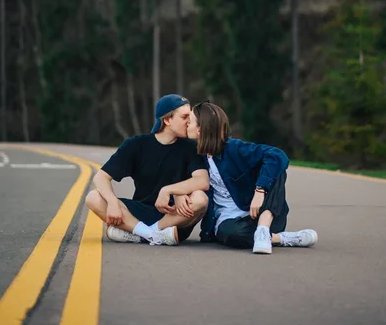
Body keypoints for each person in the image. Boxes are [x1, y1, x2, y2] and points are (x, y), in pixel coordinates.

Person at [187, 101, 318, 254]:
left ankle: (263, 230)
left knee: (276, 168)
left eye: (189, 122)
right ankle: (280, 238)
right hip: (232, 224)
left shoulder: (234, 149)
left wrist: (260, 190)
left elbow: (277, 155)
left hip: (263, 214)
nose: (186, 125)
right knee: (231, 234)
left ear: (200, 130)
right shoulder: (195, 157)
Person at [86, 94, 209, 246]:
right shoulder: (137, 145)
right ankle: (150, 235)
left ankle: (140, 233)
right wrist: (112, 202)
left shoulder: (191, 147)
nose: (189, 122)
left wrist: (171, 191)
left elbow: (202, 180)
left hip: (174, 218)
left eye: (190, 117)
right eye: (184, 117)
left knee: (200, 199)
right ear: (167, 120)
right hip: (140, 212)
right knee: (93, 197)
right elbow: (101, 177)